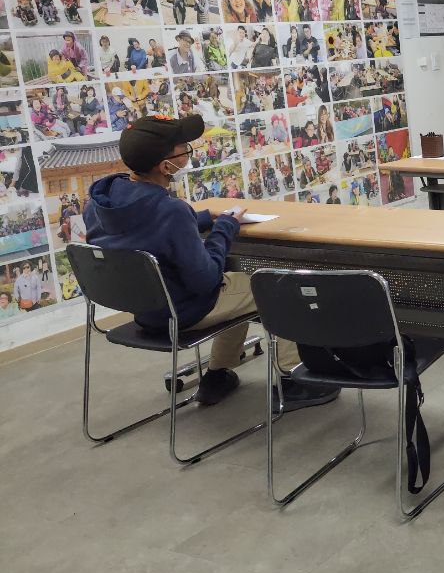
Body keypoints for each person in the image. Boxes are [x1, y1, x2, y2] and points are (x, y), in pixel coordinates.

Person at [83, 115, 337, 410]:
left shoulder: (102, 201)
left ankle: (217, 376)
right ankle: (295, 379)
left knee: (237, 285)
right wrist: (225, 227)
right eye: (184, 150)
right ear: (166, 166)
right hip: (184, 311)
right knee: (275, 283)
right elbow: (207, 280)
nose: (189, 153)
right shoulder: (171, 211)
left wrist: (200, 219)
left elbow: (145, 230)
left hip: (146, 311)